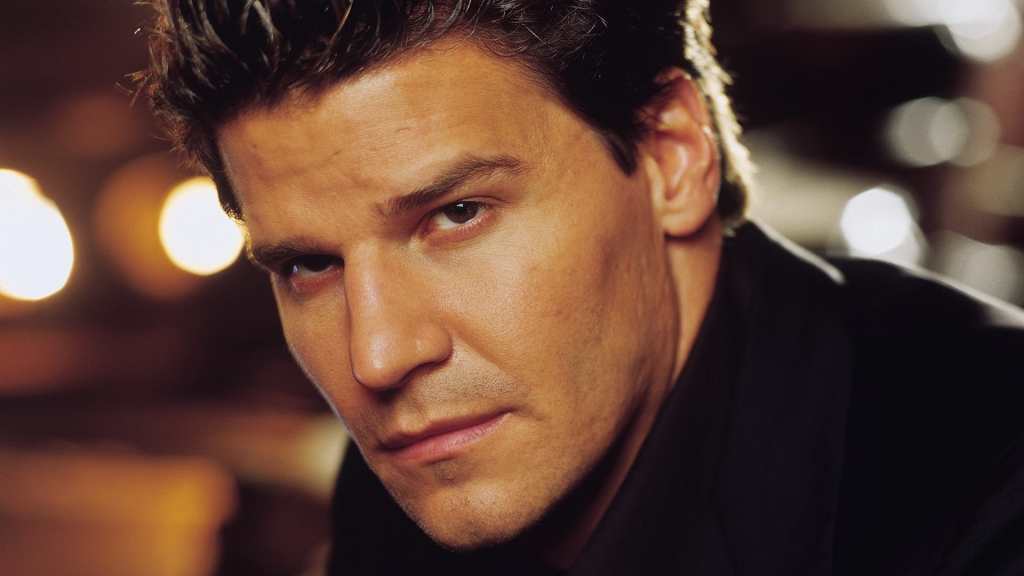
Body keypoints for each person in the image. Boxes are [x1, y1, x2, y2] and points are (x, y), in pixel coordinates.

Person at [138, 1, 1024, 574]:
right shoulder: (421, 474)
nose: (376, 355)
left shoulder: (989, 485)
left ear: (671, 156)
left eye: (457, 214)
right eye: (308, 266)